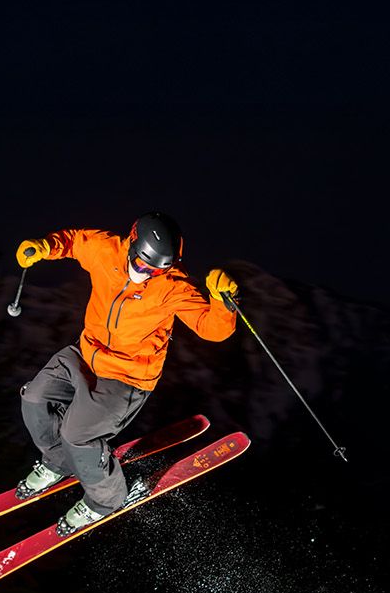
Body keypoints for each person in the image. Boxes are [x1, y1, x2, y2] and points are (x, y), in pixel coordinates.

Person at [12, 211, 240, 536]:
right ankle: (58, 461)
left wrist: (223, 302)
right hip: (86, 353)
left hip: (127, 377)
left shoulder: (172, 286)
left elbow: (212, 329)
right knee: (36, 399)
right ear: (131, 245)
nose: (145, 274)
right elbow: (75, 241)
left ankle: (106, 499)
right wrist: (45, 246)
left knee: (77, 433)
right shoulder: (107, 250)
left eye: (156, 270)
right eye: (142, 265)